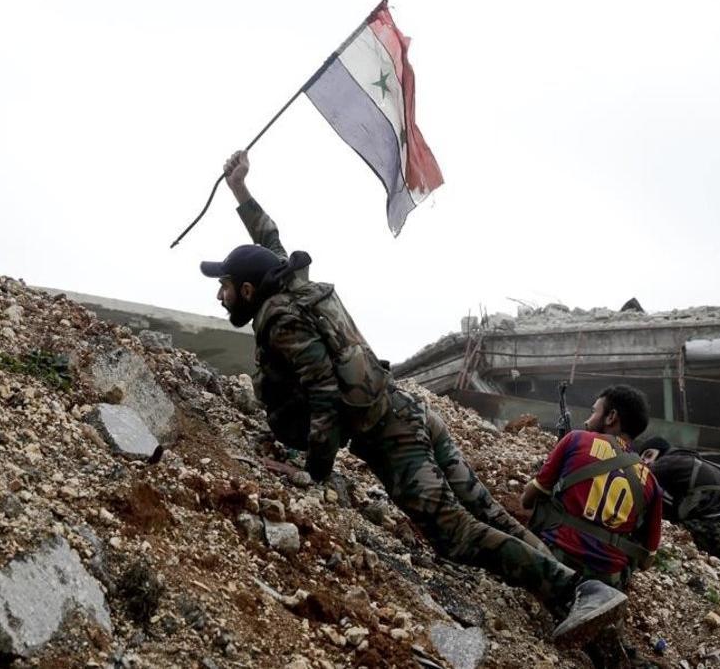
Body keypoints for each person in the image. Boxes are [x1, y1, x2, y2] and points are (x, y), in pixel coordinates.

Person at [200, 150, 624, 641]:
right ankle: (586, 593)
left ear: (249, 289)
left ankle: (576, 594)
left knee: (454, 533)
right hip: (410, 408)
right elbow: (270, 243)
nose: (220, 296)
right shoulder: (295, 285)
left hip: (393, 436)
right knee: (485, 510)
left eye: (225, 287)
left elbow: (322, 391)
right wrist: (240, 191)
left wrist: (312, 470)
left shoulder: (277, 317)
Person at [520, 385, 663, 589]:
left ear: (611, 416)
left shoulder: (576, 439)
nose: (587, 420)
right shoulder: (651, 481)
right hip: (606, 583)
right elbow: (647, 559)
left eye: (593, 411)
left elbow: (527, 500)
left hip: (553, 559)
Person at [634, 437, 720, 560]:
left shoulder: (667, 461)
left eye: (649, 454)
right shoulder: (699, 463)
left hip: (714, 529)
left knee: (666, 529)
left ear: (662, 451)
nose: (645, 461)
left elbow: (638, 483)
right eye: (642, 459)